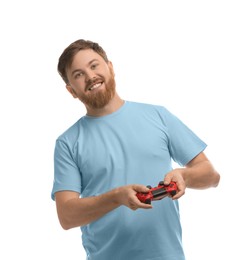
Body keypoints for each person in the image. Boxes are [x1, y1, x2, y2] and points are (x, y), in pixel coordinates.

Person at [51, 39, 220, 260]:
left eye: (94, 66)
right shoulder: (67, 143)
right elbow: (67, 216)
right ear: (71, 90)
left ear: (110, 67)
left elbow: (211, 175)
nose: (90, 76)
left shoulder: (158, 116)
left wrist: (184, 176)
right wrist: (116, 197)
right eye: (78, 74)